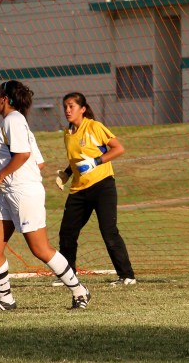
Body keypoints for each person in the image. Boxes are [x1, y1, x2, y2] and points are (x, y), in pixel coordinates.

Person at [0, 80, 91, 310]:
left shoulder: (13, 120)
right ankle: (6, 300)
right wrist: (6, 180)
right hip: (7, 193)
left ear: (5, 98)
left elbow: (23, 154)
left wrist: (0, 176)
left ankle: (80, 291)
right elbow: (38, 163)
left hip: (23, 192)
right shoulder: (16, 122)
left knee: (40, 249)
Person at [55, 92, 137, 287]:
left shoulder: (94, 127)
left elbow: (118, 149)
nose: (67, 110)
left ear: (82, 109)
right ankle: (68, 277)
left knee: (109, 231)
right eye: (65, 106)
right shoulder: (68, 133)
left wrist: (96, 162)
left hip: (102, 186)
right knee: (67, 233)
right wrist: (67, 174)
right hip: (78, 190)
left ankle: (127, 276)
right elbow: (76, 160)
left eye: (72, 106)